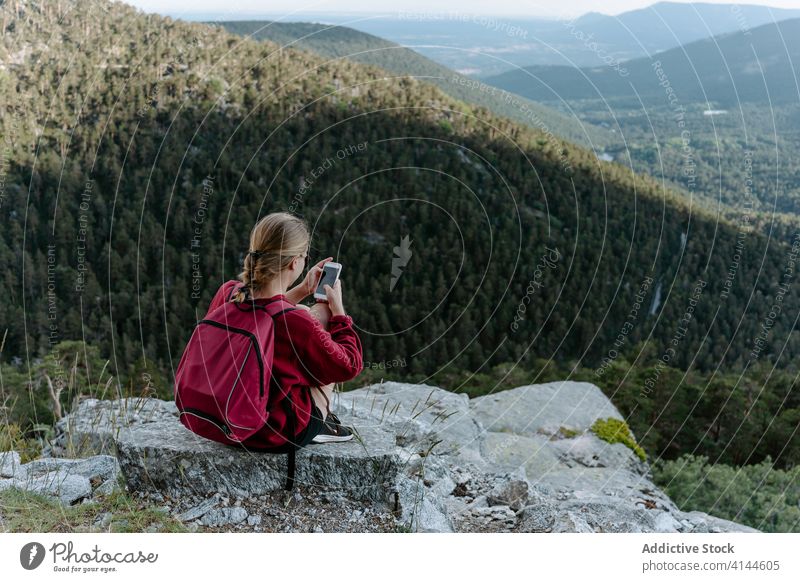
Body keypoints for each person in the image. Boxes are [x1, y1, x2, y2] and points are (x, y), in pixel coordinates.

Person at [203, 212, 363, 449]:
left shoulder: (229, 293)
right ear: (294, 262)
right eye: (304, 255)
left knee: (305, 312)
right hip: (271, 431)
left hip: (221, 419)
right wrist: (339, 313)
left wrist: (301, 290)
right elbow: (349, 365)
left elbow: (261, 313)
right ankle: (321, 424)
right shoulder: (294, 321)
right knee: (321, 315)